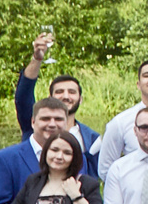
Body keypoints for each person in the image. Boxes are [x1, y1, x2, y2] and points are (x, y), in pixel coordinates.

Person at [17, 32, 100, 170]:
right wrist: (37, 59)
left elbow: (93, 179)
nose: (66, 96)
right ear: (50, 97)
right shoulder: (34, 125)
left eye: (72, 92)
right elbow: (23, 96)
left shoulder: (92, 139)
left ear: (80, 100)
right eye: (59, 92)